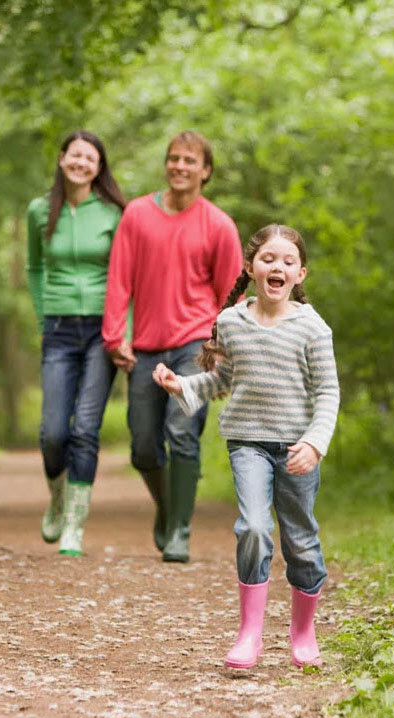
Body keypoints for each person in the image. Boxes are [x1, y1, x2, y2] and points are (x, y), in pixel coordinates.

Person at [152, 224, 339, 669]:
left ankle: (303, 632)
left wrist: (314, 443)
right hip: (247, 442)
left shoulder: (313, 328)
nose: (278, 267)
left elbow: (328, 392)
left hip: (297, 448)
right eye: (269, 259)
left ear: (301, 274)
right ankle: (250, 634)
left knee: (301, 542)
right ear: (253, 267)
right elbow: (224, 379)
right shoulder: (232, 321)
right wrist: (182, 386)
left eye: (288, 261)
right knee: (254, 528)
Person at [102, 131, 242, 563]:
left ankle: (180, 530)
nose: (180, 166)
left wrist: (221, 349)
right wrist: (114, 336)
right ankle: (169, 507)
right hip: (145, 346)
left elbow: (232, 295)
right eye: (173, 158)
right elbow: (119, 278)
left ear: (206, 171)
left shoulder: (218, 224)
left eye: (189, 160)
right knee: (143, 444)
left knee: (181, 432)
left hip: (195, 346)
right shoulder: (138, 214)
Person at [27, 130, 127, 556]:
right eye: (75, 155)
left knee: (85, 428)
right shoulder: (38, 210)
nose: (81, 163)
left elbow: (126, 275)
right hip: (59, 328)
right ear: (62, 158)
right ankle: (57, 497)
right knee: (53, 432)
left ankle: (74, 525)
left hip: (103, 330)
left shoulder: (112, 213)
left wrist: (125, 330)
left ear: (99, 167)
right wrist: (42, 312)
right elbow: (34, 267)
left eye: (91, 158)